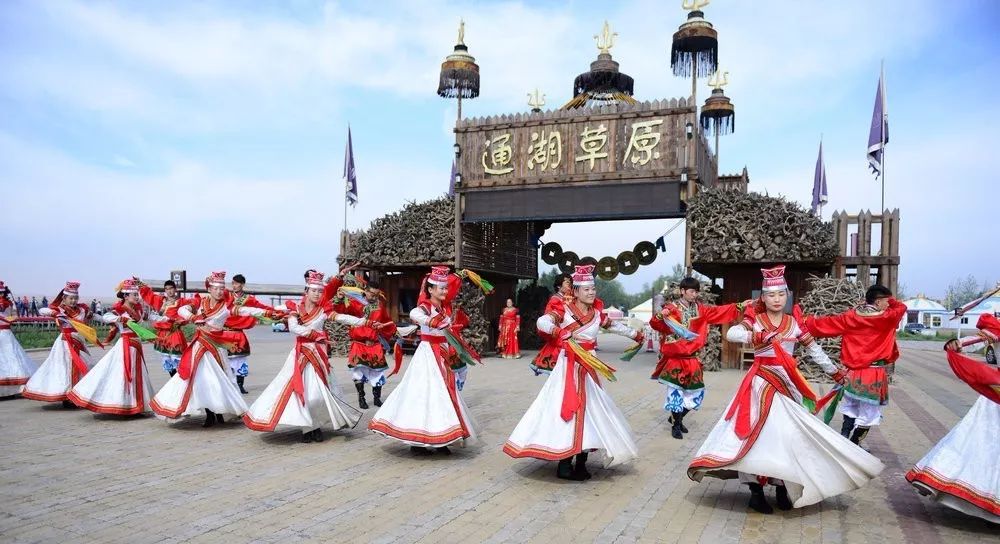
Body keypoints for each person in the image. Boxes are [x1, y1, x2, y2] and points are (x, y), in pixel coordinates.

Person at [688, 266, 884, 514]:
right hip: (760, 383)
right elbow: (734, 334)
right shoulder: (755, 321)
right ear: (763, 297)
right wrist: (757, 337)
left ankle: (782, 486)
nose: (777, 299)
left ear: (787, 295)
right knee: (756, 436)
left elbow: (815, 351)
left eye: (781, 294)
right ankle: (756, 492)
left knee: (788, 437)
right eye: (771, 295)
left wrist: (836, 372)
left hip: (788, 385)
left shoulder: (794, 324)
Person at [504, 265, 644, 481]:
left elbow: (616, 327)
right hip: (568, 366)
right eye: (586, 289)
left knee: (591, 411)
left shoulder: (597, 315)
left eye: (593, 288)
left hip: (589, 367)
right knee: (567, 409)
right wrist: (557, 330)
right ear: (575, 292)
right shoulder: (564, 311)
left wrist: (635, 334)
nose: (591, 292)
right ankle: (564, 462)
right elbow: (543, 321)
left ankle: (582, 462)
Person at [368, 266, 478, 455]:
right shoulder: (425, 306)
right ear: (430, 289)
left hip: (443, 353)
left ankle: (443, 438)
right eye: (440, 288)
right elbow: (414, 314)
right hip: (427, 354)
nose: (444, 291)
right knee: (422, 394)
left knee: (443, 394)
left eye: (445, 288)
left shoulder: (444, 307)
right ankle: (418, 441)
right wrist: (431, 322)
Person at [150, 271, 283, 427]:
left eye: (221, 288)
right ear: (209, 289)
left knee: (218, 380)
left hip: (216, 348)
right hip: (200, 346)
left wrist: (269, 313)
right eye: (216, 288)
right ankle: (210, 412)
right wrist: (193, 317)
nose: (219, 291)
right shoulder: (199, 303)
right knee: (200, 379)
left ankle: (219, 411)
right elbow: (181, 310)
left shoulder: (226, 307)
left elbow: (247, 310)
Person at [244, 271, 362, 442]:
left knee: (318, 394)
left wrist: (367, 322)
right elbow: (293, 327)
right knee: (300, 393)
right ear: (306, 291)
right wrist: (315, 335)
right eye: (314, 291)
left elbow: (343, 318)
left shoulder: (323, 310)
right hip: (300, 354)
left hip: (318, 356)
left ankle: (316, 425)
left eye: (320, 291)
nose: (317, 294)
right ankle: (307, 428)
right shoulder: (296, 309)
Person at [905, 315, 1000, 524]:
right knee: (980, 443)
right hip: (995, 398)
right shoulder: (996, 329)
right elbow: (975, 341)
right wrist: (957, 343)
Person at [804, 284, 907, 446]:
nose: (888, 304)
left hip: (852, 374)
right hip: (872, 374)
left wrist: (805, 321)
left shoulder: (851, 316)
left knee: (851, 406)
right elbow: (902, 307)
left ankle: (844, 438)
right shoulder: (888, 317)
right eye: (886, 301)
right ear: (879, 302)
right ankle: (853, 445)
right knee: (869, 414)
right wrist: (891, 300)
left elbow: (824, 324)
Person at [649, 277, 744, 439]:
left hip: (692, 358)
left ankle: (676, 418)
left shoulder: (701, 309)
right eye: (692, 291)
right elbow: (656, 325)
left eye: (696, 291)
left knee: (696, 394)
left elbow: (718, 312)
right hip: (675, 359)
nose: (694, 294)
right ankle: (676, 425)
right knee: (676, 394)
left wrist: (740, 306)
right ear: (682, 291)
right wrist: (659, 316)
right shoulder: (671, 309)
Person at [67, 279, 154, 415]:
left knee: (137, 374)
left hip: (136, 346)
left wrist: (168, 319)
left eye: (137, 295)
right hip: (125, 344)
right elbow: (106, 317)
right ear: (125, 296)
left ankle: (136, 405)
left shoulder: (138, 309)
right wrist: (119, 319)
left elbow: (151, 318)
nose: (137, 297)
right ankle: (122, 404)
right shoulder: (119, 309)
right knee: (122, 375)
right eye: (134, 295)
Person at [22, 282, 95, 406]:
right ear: (64, 299)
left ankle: (79, 394)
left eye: (75, 298)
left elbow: (97, 317)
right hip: (64, 343)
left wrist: (112, 318)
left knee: (81, 367)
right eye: (70, 298)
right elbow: (42, 310)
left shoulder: (82, 310)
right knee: (64, 369)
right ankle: (66, 396)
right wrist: (54, 313)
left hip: (78, 342)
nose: (73, 301)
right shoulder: (60, 310)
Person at [330, 276, 398, 409]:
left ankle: (377, 398)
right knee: (358, 372)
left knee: (378, 372)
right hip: (359, 343)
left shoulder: (379, 306)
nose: (374, 297)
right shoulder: (355, 303)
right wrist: (338, 299)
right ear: (365, 291)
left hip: (374, 344)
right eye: (372, 294)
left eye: (377, 294)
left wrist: (393, 330)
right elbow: (340, 312)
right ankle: (361, 398)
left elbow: (386, 321)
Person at [223, 273, 277, 394]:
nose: (234, 286)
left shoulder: (249, 299)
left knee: (240, 361)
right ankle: (227, 385)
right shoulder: (226, 296)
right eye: (233, 283)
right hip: (225, 332)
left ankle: (240, 384)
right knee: (225, 361)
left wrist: (274, 311)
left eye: (236, 283)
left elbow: (261, 307)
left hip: (238, 333)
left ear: (242, 285)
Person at [138, 279, 187, 376]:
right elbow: (150, 296)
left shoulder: (181, 302)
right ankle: (174, 383)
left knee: (176, 359)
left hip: (174, 333)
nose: (169, 291)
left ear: (175, 289)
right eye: (167, 289)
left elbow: (189, 310)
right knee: (166, 360)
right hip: (162, 335)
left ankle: (181, 383)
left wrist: (180, 321)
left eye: (171, 288)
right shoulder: (161, 301)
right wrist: (141, 285)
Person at [530, 273, 574, 375]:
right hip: (562, 337)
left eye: (571, 282)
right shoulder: (556, 300)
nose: (570, 284)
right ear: (559, 285)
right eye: (567, 282)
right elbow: (552, 318)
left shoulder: (570, 299)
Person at [0, 281, 38, 397]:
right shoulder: (10, 303)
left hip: (5, 332)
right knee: (11, 358)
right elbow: (14, 316)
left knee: (9, 358)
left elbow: (13, 316)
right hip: (7, 332)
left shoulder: (8, 304)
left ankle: (9, 389)